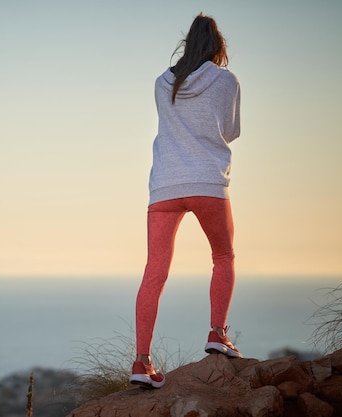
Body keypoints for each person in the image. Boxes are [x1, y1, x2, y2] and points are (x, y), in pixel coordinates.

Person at [130, 13, 243, 389]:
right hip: (207, 181)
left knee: (154, 271)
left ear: (187, 43)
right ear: (217, 47)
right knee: (223, 256)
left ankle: (141, 362)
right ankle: (217, 333)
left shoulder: (162, 83)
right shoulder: (226, 80)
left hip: (164, 185)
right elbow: (231, 130)